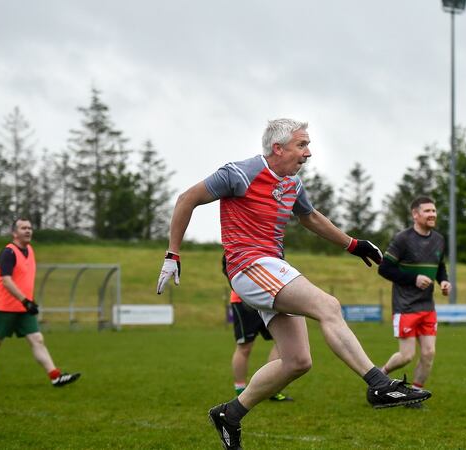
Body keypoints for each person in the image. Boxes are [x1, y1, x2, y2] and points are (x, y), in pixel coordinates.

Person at [157, 119, 431, 449]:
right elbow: (187, 198)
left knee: (298, 361)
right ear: (278, 148)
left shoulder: (292, 184)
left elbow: (310, 217)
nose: (308, 153)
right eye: (302, 145)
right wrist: (173, 253)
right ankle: (378, 383)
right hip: (248, 265)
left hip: (272, 267)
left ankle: (229, 414)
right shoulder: (239, 173)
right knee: (328, 305)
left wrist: (353, 244)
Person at [0, 218, 81, 389]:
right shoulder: (8, 253)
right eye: (23, 228)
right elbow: (6, 281)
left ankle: (55, 377)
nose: (28, 231)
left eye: (30, 228)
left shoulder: (30, 250)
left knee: (37, 339)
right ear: (14, 233)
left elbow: (23, 279)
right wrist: (25, 300)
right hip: (7, 307)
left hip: (24, 307)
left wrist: (29, 301)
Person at [377, 196, 450, 404]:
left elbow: (440, 266)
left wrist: (443, 282)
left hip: (427, 306)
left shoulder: (439, 239)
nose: (432, 214)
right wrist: (414, 279)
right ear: (415, 215)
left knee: (429, 353)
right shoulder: (402, 239)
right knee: (406, 356)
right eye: (427, 211)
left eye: (434, 211)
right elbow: (384, 268)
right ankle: (379, 378)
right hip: (406, 306)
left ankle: (415, 395)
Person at [223, 255, 292, 402]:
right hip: (243, 300)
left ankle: (271, 388)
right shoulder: (238, 241)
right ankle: (241, 390)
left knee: (283, 342)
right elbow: (227, 267)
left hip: (268, 297)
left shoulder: (270, 241)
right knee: (245, 346)